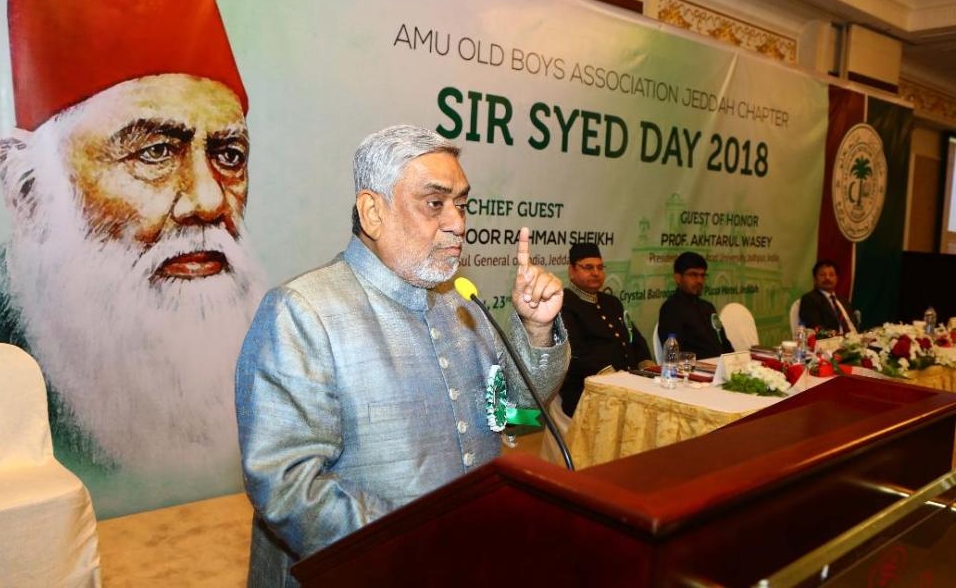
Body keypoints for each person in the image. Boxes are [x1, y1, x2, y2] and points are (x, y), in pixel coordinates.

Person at [0, 0, 266, 513]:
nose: (208, 200)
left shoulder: (276, 345)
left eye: (228, 155)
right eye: (154, 152)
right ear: (27, 189)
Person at [235, 125, 568, 585]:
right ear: (373, 212)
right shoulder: (303, 312)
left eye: (462, 204)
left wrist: (535, 330)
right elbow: (287, 485)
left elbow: (512, 420)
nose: (458, 222)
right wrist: (421, 546)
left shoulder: (463, 308)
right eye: (435, 203)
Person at [558, 242, 654, 416]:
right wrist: (612, 377)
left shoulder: (612, 302)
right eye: (588, 267)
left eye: (600, 267)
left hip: (629, 383)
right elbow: (574, 353)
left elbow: (634, 337)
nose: (596, 273)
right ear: (571, 271)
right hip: (588, 389)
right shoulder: (564, 304)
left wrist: (647, 363)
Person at [657, 251, 733, 359]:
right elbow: (673, 354)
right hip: (694, 371)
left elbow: (724, 344)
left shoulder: (708, 307)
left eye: (702, 275)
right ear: (678, 278)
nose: (699, 280)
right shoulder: (671, 309)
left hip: (720, 369)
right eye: (693, 275)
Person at [798, 259, 858, 334]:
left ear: (837, 278)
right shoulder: (809, 299)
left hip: (856, 340)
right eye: (822, 275)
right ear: (815, 279)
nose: (827, 278)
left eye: (831, 274)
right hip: (832, 342)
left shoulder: (843, 301)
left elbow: (854, 324)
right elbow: (816, 328)